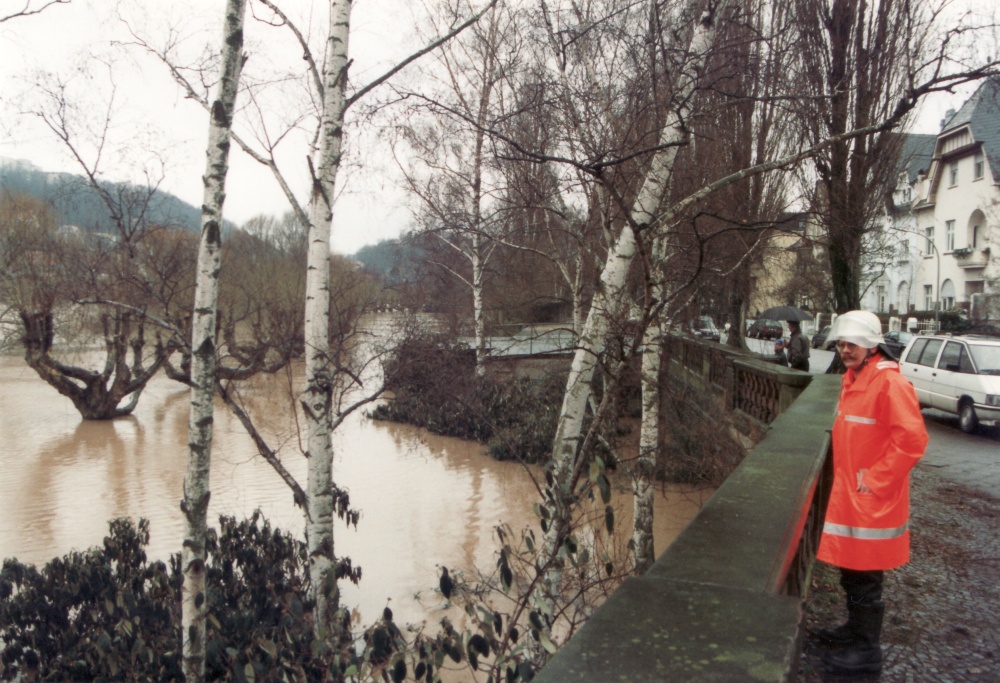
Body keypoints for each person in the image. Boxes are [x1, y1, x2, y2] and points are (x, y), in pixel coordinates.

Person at [814, 310, 928, 676]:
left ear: (871, 345)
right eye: (842, 343)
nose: (846, 350)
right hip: (854, 495)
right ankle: (854, 631)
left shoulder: (888, 384)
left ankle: (867, 650)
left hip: (871, 498)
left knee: (866, 576)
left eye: (853, 343)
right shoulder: (855, 378)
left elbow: (912, 441)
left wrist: (875, 480)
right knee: (853, 570)